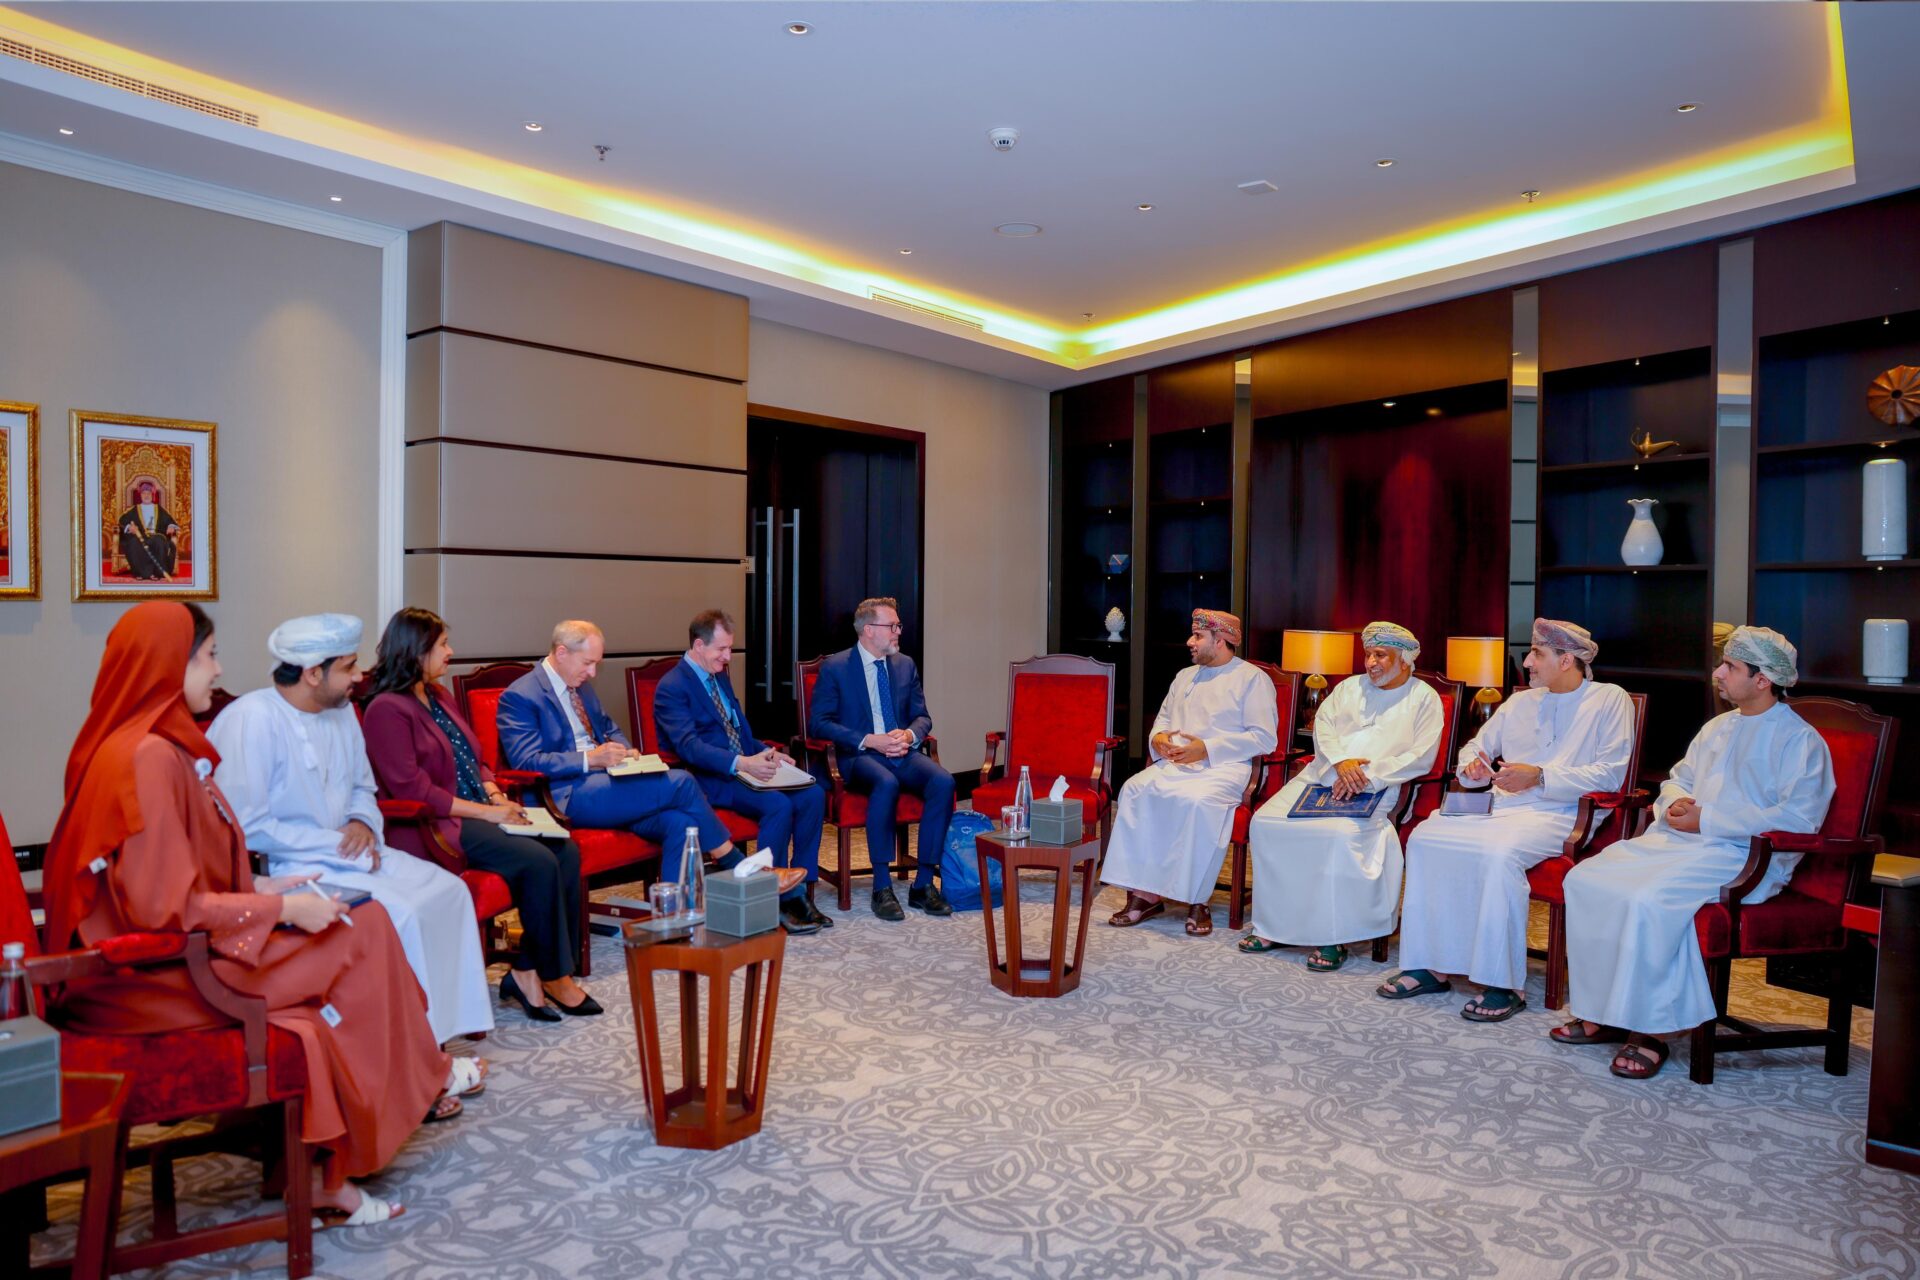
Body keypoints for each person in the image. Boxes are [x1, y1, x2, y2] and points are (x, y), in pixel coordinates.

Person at [42, 601, 476, 1227]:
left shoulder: (149, 746)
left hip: (172, 953)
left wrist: (265, 883)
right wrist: (280, 906)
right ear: (168, 666)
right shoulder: (149, 758)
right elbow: (165, 908)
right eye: (209, 656)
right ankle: (359, 1141)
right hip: (154, 977)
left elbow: (173, 880)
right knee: (364, 936)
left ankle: (360, 1131)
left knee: (367, 926)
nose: (220, 671)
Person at [1554, 626, 1835, 1080]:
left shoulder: (1800, 741)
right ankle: (1604, 1010)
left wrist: (1710, 819)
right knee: (1585, 879)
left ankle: (1653, 1031)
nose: (1718, 673)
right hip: (1684, 841)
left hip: (1744, 858)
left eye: (1730, 667)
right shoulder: (1718, 727)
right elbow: (1678, 778)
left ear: (1763, 679)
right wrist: (1676, 803)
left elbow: (1799, 819)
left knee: (1649, 898)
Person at [206, 614, 494, 1045]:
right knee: (403, 911)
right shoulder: (250, 720)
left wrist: (362, 822)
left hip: (357, 850)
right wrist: (337, 842)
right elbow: (247, 826)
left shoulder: (340, 713)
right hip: (290, 868)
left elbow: (363, 787)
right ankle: (413, 1046)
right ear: (312, 673)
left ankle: (443, 1033)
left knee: (448, 891)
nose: (359, 677)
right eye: (348, 667)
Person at [1379, 618, 1635, 1020]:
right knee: (1427, 838)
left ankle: (1503, 983)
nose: (1527, 662)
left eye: (1537, 654)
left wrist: (1541, 776)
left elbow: (1611, 774)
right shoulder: (1520, 702)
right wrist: (1474, 768)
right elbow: (1475, 746)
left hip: (1561, 812)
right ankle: (1429, 964)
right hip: (1501, 804)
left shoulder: (1609, 699)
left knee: (1498, 853)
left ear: (1566, 660)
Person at [362, 607, 599, 1023]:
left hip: (478, 809)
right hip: (435, 824)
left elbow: (475, 759)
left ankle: (526, 970)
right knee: (537, 861)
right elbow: (412, 789)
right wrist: (487, 814)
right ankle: (555, 977)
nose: (450, 651)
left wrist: (494, 795)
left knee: (565, 850)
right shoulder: (386, 709)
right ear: (416, 650)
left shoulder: (438, 695)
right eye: (442, 645)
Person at [495, 620, 803, 901]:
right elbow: (527, 761)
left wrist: (626, 751)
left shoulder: (581, 687)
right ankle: (739, 866)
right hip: (565, 795)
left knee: (681, 823)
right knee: (681, 782)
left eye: (596, 664)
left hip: (608, 785)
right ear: (562, 653)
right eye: (588, 663)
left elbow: (609, 728)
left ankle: (675, 917)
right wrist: (591, 759)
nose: (592, 673)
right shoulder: (521, 695)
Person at [1241, 621, 1443, 971]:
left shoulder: (1424, 698)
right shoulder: (1349, 687)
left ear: (1405, 660)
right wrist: (1340, 763)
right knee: (1266, 822)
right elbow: (1323, 728)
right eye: (1368, 654)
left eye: (1381, 655)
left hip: (1379, 786)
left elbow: (1421, 755)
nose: (1371, 662)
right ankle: (1276, 925)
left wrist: (1367, 776)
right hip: (1324, 775)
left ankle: (1333, 935)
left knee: (1337, 835)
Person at [1102, 610, 1278, 939]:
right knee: (1135, 789)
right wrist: (1158, 739)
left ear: (1221, 640)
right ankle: (1144, 894)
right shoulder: (1185, 676)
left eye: (1198, 636)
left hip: (1224, 768)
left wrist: (1207, 749)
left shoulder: (1252, 679)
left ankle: (1198, 899)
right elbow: (1163, 720)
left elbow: (1264, 738)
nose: (1190, 642)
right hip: (1177, 763)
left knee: (1198, 801)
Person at [654, 609, 830, 934]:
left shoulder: (718, 674)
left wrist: (766, 752)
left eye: (730, 648)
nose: (727, 656)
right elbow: (689, 747)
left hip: (744, 767)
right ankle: (773, 899)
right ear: (698, 645)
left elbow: (735, 730)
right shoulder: (672, 687)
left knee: (813, 795)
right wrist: (742, 763)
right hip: (709, 778)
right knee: (778, 805)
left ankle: (802, 892)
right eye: (721, 649)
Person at [807, 597, 955, 921]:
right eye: (892, 626)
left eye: (898, 625)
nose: (898, 631)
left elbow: (922, 717)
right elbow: (818, 723)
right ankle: (882, 886)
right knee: (886, 782)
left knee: (943, 781)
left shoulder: (905, 665)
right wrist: (868, 740)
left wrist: (909, 735)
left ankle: (923, 884)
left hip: (900, 751)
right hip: (858, 755)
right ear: (869, 630)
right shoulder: (836, 667)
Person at [116, 479, 181, 580]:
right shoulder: (135, 509)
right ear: (140, 495)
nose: (146, 496)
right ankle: (142, 573)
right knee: (133, 542)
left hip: (155, 536)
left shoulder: (158, 509)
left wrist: (171, 526)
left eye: (148, 493)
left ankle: (157, 573)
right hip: (140, 537)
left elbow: (169, 521)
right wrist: (129, 527)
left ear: (152, 495)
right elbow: (122, 520)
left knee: (159, 541)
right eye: (144, 493)